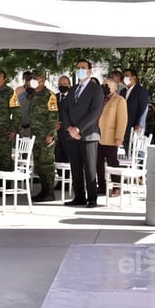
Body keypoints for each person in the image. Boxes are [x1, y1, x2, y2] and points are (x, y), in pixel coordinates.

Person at [60, 58, 104, 207]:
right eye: (78, 67)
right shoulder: (73, 89)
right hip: (72, 136)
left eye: (83, 68)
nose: (80, 70)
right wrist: (69, 129)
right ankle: (79, 196)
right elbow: (64, 110)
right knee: (75, 167)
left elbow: (94, 113)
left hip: (89, 135)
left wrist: (78, 129)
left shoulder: (96, 89)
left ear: (90, 71)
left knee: (90, 168)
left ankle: (92, 198)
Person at [25, 71, 60, 202]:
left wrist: (50, 134)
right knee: (39, 164)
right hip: (36, 135)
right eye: (33, 79)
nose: (35, 81)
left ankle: (49, 192)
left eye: (38, 79)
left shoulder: (49, 95)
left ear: (44, 81)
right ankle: (43, 190)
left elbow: (53, 116)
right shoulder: (33, 94)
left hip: (46, 135)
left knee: (46, 164)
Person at [96, 77, 128, 198]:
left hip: (110, 136)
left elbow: (122, 120)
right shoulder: (99, 99)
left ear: (114, 87)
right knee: (98, 163)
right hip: (97, 136)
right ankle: (102, 186)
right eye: (103, 85)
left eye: (107, 85)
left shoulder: (120, 101)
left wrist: (119, 137)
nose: (104, 87)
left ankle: (116, 186)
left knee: (112, 162)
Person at [121, 68, 149, 152]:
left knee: (136, 149)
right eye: (124, 76)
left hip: (136, 125)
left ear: (134, 78)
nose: (125, 78)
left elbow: (143, 108)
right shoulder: (123, 91)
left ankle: (136, 164)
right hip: (125, 124)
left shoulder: (141, 91)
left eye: (127, 76)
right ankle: (127, 164)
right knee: (127, 147)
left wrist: (139, 124)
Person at [54, 75, 72, 163]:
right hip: (56, 133)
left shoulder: (73, 98)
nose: (62, 85)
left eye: (65, 83)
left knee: (68, 157)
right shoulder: (54, 97)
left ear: (69, 85)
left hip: (67, 133)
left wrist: (61, 124)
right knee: (58, 157)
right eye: (60, 84)